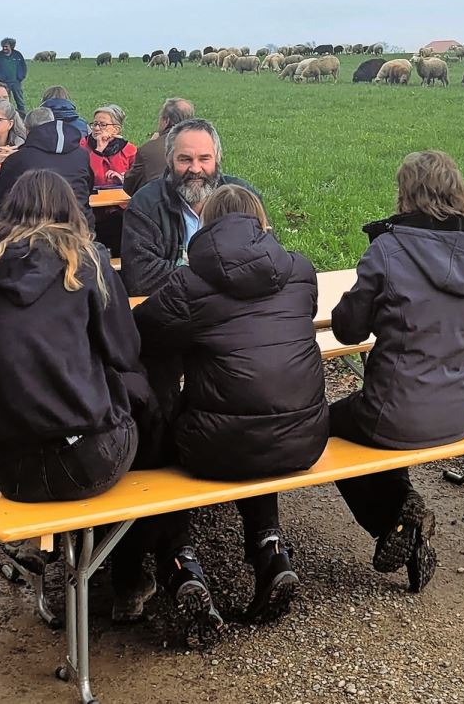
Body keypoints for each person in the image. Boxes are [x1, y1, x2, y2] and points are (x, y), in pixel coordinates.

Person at [0, 169, 223, 642]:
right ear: (72, 211)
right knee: (150, 426)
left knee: (110, 414)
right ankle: (142, 571)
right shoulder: (86, 263)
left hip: (11, 468)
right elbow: (126, 353)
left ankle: (106, 563)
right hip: (85, 460)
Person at [134, 185, 329, 622]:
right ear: (262, 223)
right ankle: (271, 551)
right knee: (260, 415)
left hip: (217, 449)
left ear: (204, 225)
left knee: (171, 423)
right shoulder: (299, 270)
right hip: (304, 439)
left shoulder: (189, 283)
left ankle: (181, 562)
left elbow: (137, 334)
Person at [330, 151, 464, 592]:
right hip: (461, 410)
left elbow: (348, 330)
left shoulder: (388, 249)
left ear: (406, 194)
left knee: (327, 425)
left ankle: (394, 515)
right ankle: (403, 515)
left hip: (395, 413)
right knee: (382, 420)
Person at [121, 119, 259, 296]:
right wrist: (219, 273)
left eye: (204, 159)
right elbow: (140, 278)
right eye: (185, 159)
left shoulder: (242, 197)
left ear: (217, 159)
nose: (195, 168)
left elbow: (265, 261)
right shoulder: (145, 204)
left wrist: (188, 272)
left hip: (235, 310)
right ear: (169, 160)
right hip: (172, 313)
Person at [124, 98, 195, 196]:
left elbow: (129, 187)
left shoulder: (148, 150)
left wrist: (152, 143)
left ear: (166, 121)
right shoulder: (203, 144)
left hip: (159, 208)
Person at [84, 105, 137, 187]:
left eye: (103, 125)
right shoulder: (82, 145)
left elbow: (137, 181)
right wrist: (98, 150)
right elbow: (86, 178)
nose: (97, 128)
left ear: (116, 130)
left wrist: (122, 180)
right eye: (95, 124)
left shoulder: (129, 151)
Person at [0, 37, 27, 113]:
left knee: (20, 101)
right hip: (4, 82)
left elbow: (23, 66)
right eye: (3, 46)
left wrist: (21, 77)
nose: (4, 48)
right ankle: (5, 115)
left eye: (6, 46)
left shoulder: (18, 55)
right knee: (4, 101)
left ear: (11, 46)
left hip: (16, 82)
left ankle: (23, 116)